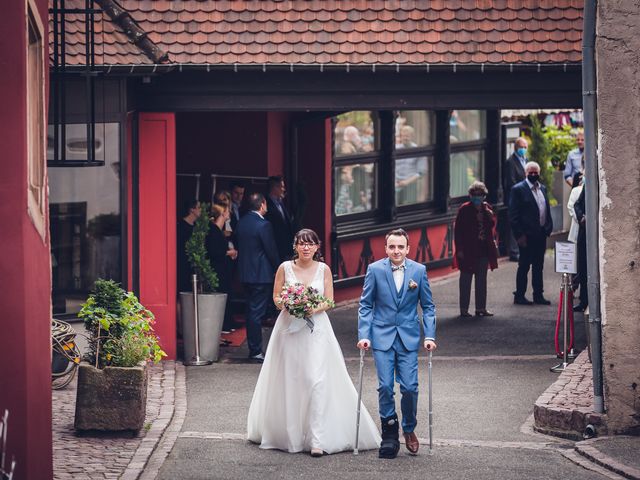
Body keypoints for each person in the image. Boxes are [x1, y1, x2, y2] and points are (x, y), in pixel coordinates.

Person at [248, 229, 381, 456]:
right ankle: (292, 436)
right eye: (301, 243)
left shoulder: (324, 270)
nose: (306, 247)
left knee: (316, 380)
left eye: (310, 244)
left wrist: (311, 308)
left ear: (317, 247)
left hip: (317, 329)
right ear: (295, 246)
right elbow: (276, 297)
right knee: (291, 379)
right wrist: (290, 305)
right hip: (289, 329)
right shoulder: (284, 268)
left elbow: (330, 300)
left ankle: (317, 438)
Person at [357, 228, 437, 459]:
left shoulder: (419, 271)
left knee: (410, 387)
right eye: (392, 246)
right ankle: (390, 434)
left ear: (408, 249)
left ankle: (409, 428)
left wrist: (429, 336)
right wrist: (364, 334)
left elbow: (428, 306)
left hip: (408, 337)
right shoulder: (374, 270)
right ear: (385, 248)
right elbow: (366, 305)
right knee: (384, 387)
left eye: (400, 247)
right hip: (381, 336)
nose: (396, 251)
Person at [235, 193, 280, 362]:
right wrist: (278, 268)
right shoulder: (264, 225)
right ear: (262, 205)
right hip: (261, 274)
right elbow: (270, 249)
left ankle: (254, 348)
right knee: (256, 313)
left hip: (245, 273)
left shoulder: (241, 222)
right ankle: (255, 351)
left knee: (251, 311)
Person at [508, 161, 553, 305]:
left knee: (538, 266)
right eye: (530, 172)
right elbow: (513, 215)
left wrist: (548, 228)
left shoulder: (543, 189)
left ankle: (538, 295)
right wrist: (519, 235)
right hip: (526, 236)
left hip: (540, 234)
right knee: (524, 265)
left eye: (536, 172)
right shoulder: (518, 189)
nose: (533, 174)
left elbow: (546, 209)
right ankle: (519, 295)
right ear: (526, 173)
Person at [453, 181, 499, 317]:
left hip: (483, 248)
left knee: (481, 279)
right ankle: (463, 309)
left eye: (480, 195)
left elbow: (490, 226)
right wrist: (459, 249)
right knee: (466, 280)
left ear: (484, 196)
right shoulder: (464, 209)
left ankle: (480, 308)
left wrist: (488, 216)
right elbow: (458, 231)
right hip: (468, 250)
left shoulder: (487, 208)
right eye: (475, 195)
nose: (477, 197)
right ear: (470, 195)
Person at [207, 204, 238, 334]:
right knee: (223, 293)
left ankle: (227, 323)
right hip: (218, 268)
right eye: (227, 211)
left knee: (226, 294)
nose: (229, 213)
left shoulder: (217, 230)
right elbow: (213, 251)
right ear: (222, 214)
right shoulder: (213, 230)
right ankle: (223, 324)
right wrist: (229, 253)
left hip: (222, 267)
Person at [503, 137, 529, 262]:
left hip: (525, 199)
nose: (523, 150)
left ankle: (522, 250)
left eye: (525, 147)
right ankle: (514, 252)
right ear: (516, 148)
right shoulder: (510, 162)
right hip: (515, 199)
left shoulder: (526, 161)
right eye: (521, 147)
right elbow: (510, 182)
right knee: (515, 225)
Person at [265, 175, 295, 264]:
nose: (284, 189)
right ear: (275, 188)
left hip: (286, 249)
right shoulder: (266, 204)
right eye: (282, 187)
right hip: (276, 249)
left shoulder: (281, 203)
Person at [177, 199, 201, 293]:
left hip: (193, 265)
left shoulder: (197, 226)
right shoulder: (181, 226)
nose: (201, 210)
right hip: (183, 265)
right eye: (198, 208)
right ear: (192, 209)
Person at [572, 182, 588, 312]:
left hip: (593, 233)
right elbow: (577, 204)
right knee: (582, 267)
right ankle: (583, 301)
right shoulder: (587, 184)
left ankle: (588, 301)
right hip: (583, 232)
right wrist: (581, 216)